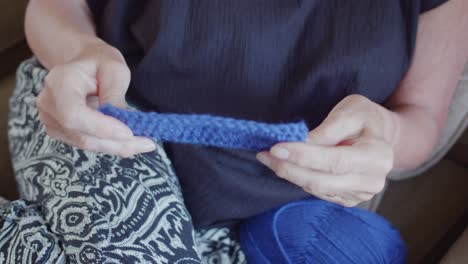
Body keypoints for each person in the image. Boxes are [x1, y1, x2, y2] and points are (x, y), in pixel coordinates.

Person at [1, 0, 467, 263]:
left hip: (262, 210)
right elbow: (53, 7)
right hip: (104, 122)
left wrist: (384, 133)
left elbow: (420, 117)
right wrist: (80, 52)